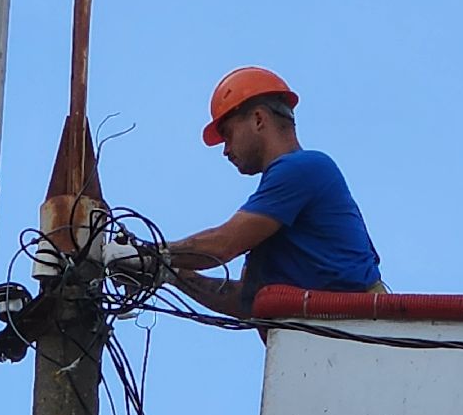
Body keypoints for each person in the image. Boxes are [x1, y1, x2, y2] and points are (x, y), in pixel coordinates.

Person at [148, 67, 383, 319]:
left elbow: (222, 244)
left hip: (359, 334)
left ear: (259, 119)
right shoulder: (273, 212)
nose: (226, 150)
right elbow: (243, 301)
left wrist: (151, 255)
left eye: (228, 135)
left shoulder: (302, 168)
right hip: (327, 343)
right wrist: (165, 272)